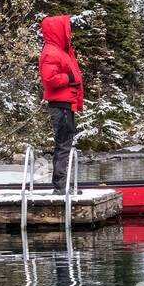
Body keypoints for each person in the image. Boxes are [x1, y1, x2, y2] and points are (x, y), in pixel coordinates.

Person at [39, 15, 83, 192]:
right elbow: (48, 79)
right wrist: (70, 78)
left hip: (66, 103)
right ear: (58, 31)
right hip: (61, 104)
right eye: (66, 29)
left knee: (64, 143)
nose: (69, 33)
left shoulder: (61, 50)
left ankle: (62, 186)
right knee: (63, 144)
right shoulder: (51, 52)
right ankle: (60, 187)